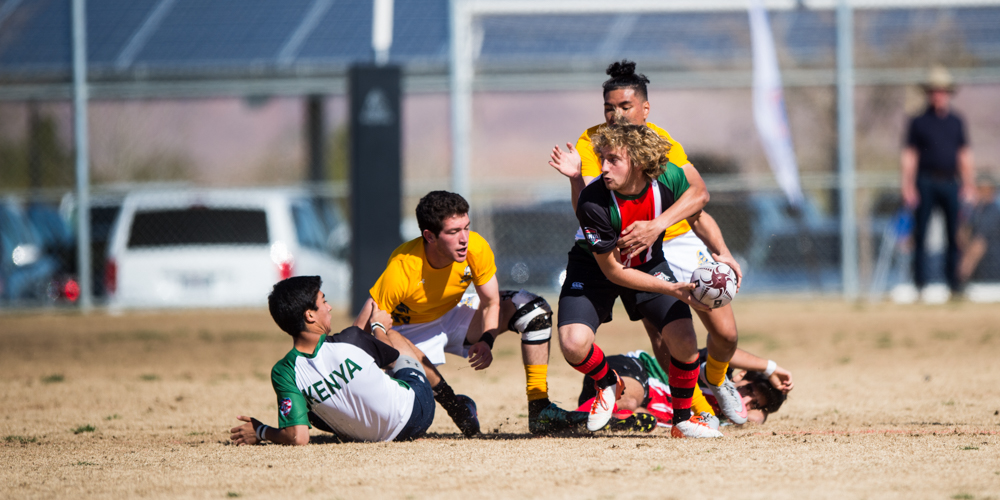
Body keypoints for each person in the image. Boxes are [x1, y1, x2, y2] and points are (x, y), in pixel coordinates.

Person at [549, 60, 750, 427]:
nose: (616, 115)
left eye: (625, 107)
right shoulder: (595, 141)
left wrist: (662, 228)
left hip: (666, 240)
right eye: (609, 108)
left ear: (644, 108)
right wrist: (576, 179)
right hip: (613, 247)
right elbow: (591, 205)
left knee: (724, 333)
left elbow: (698, 198)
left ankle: (715, 381)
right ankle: (691, 415)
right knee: (665, 340)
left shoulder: (662, 144)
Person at [353, 191, 584, 437]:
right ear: (429, 236)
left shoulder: (475, 246)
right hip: (407, 331)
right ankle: (456, 406)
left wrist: (487, 339)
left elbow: (491, 301)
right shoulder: (403, 267)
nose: (464, 238)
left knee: (533, 309)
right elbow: (359, 334)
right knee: (400, 420)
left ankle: (540, 409)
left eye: (466, 227)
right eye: (453, 232)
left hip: (452, 314)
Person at [230, 276, 437, 445]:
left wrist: (261, 431)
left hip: (367, 438)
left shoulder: (283, 371)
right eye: (324, 302)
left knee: (309, 410)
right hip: (417, 414)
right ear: (310, 315)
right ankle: (452, 400)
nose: (329, 308)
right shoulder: (351, 339)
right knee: (391, 337)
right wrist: (379, 327)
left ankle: (450, 399)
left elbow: (297, 436)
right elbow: (392, 359)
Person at [901, 66, 975, 299]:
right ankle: (920, 284)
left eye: (942, 90)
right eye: (934, 90)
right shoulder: (918, 121)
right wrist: (908, 185)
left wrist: (968, 184)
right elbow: (910, 156)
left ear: (948, 93)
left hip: (951, 182)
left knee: (953, 234)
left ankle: (954, 285)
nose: (938, 95)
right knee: (921, 234)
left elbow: (964, 154)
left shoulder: (956, 121)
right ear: (928, 93)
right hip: (925, 182)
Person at [575, 348, 792, 427]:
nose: (744, 400)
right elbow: (725, 349)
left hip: (638, 405)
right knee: (630, 402)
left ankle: (592, 418)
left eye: (753, 403)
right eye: (749, 391)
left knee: (642, 419)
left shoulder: (725, 414)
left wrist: (760, 406)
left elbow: (755, 419)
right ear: (742, 374)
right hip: (634, 371)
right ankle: (573, 419)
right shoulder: (716, 374)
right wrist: (770, 369)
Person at [958, 174, 1000, 285]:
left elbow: (979, 244)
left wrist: (964, 270)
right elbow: (961, 237)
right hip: (980, 274)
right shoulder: (976, 211)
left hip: (989, 275)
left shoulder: (992, 212)